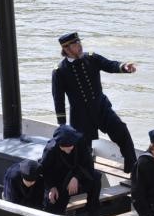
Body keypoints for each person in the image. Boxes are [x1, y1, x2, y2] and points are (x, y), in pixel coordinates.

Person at [52, 32, 138, 173]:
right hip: (81, 116)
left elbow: (109, 65)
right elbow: (58, 99)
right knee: (83, 150)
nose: (79, 46)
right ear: (66, 49)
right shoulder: (60, 71)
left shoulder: (91, 58)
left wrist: (123, 67)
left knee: (122, 131)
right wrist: (62, 125)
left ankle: (133, 168)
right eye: (75, 44)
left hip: (102, 108)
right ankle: (88, 177)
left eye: (79, 42)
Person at [40, 124, 102, 216]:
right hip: (59, 181)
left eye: (72, 145)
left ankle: (92, 213)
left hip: (77, 176)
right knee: (52, 202)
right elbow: (45, 171)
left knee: (96, 178)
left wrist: (76, 177)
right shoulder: (50, 150)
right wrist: (51, 187)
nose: (71, 148)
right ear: (60, 145)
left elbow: (88, 164)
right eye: (68, 146)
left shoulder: (79, 142)